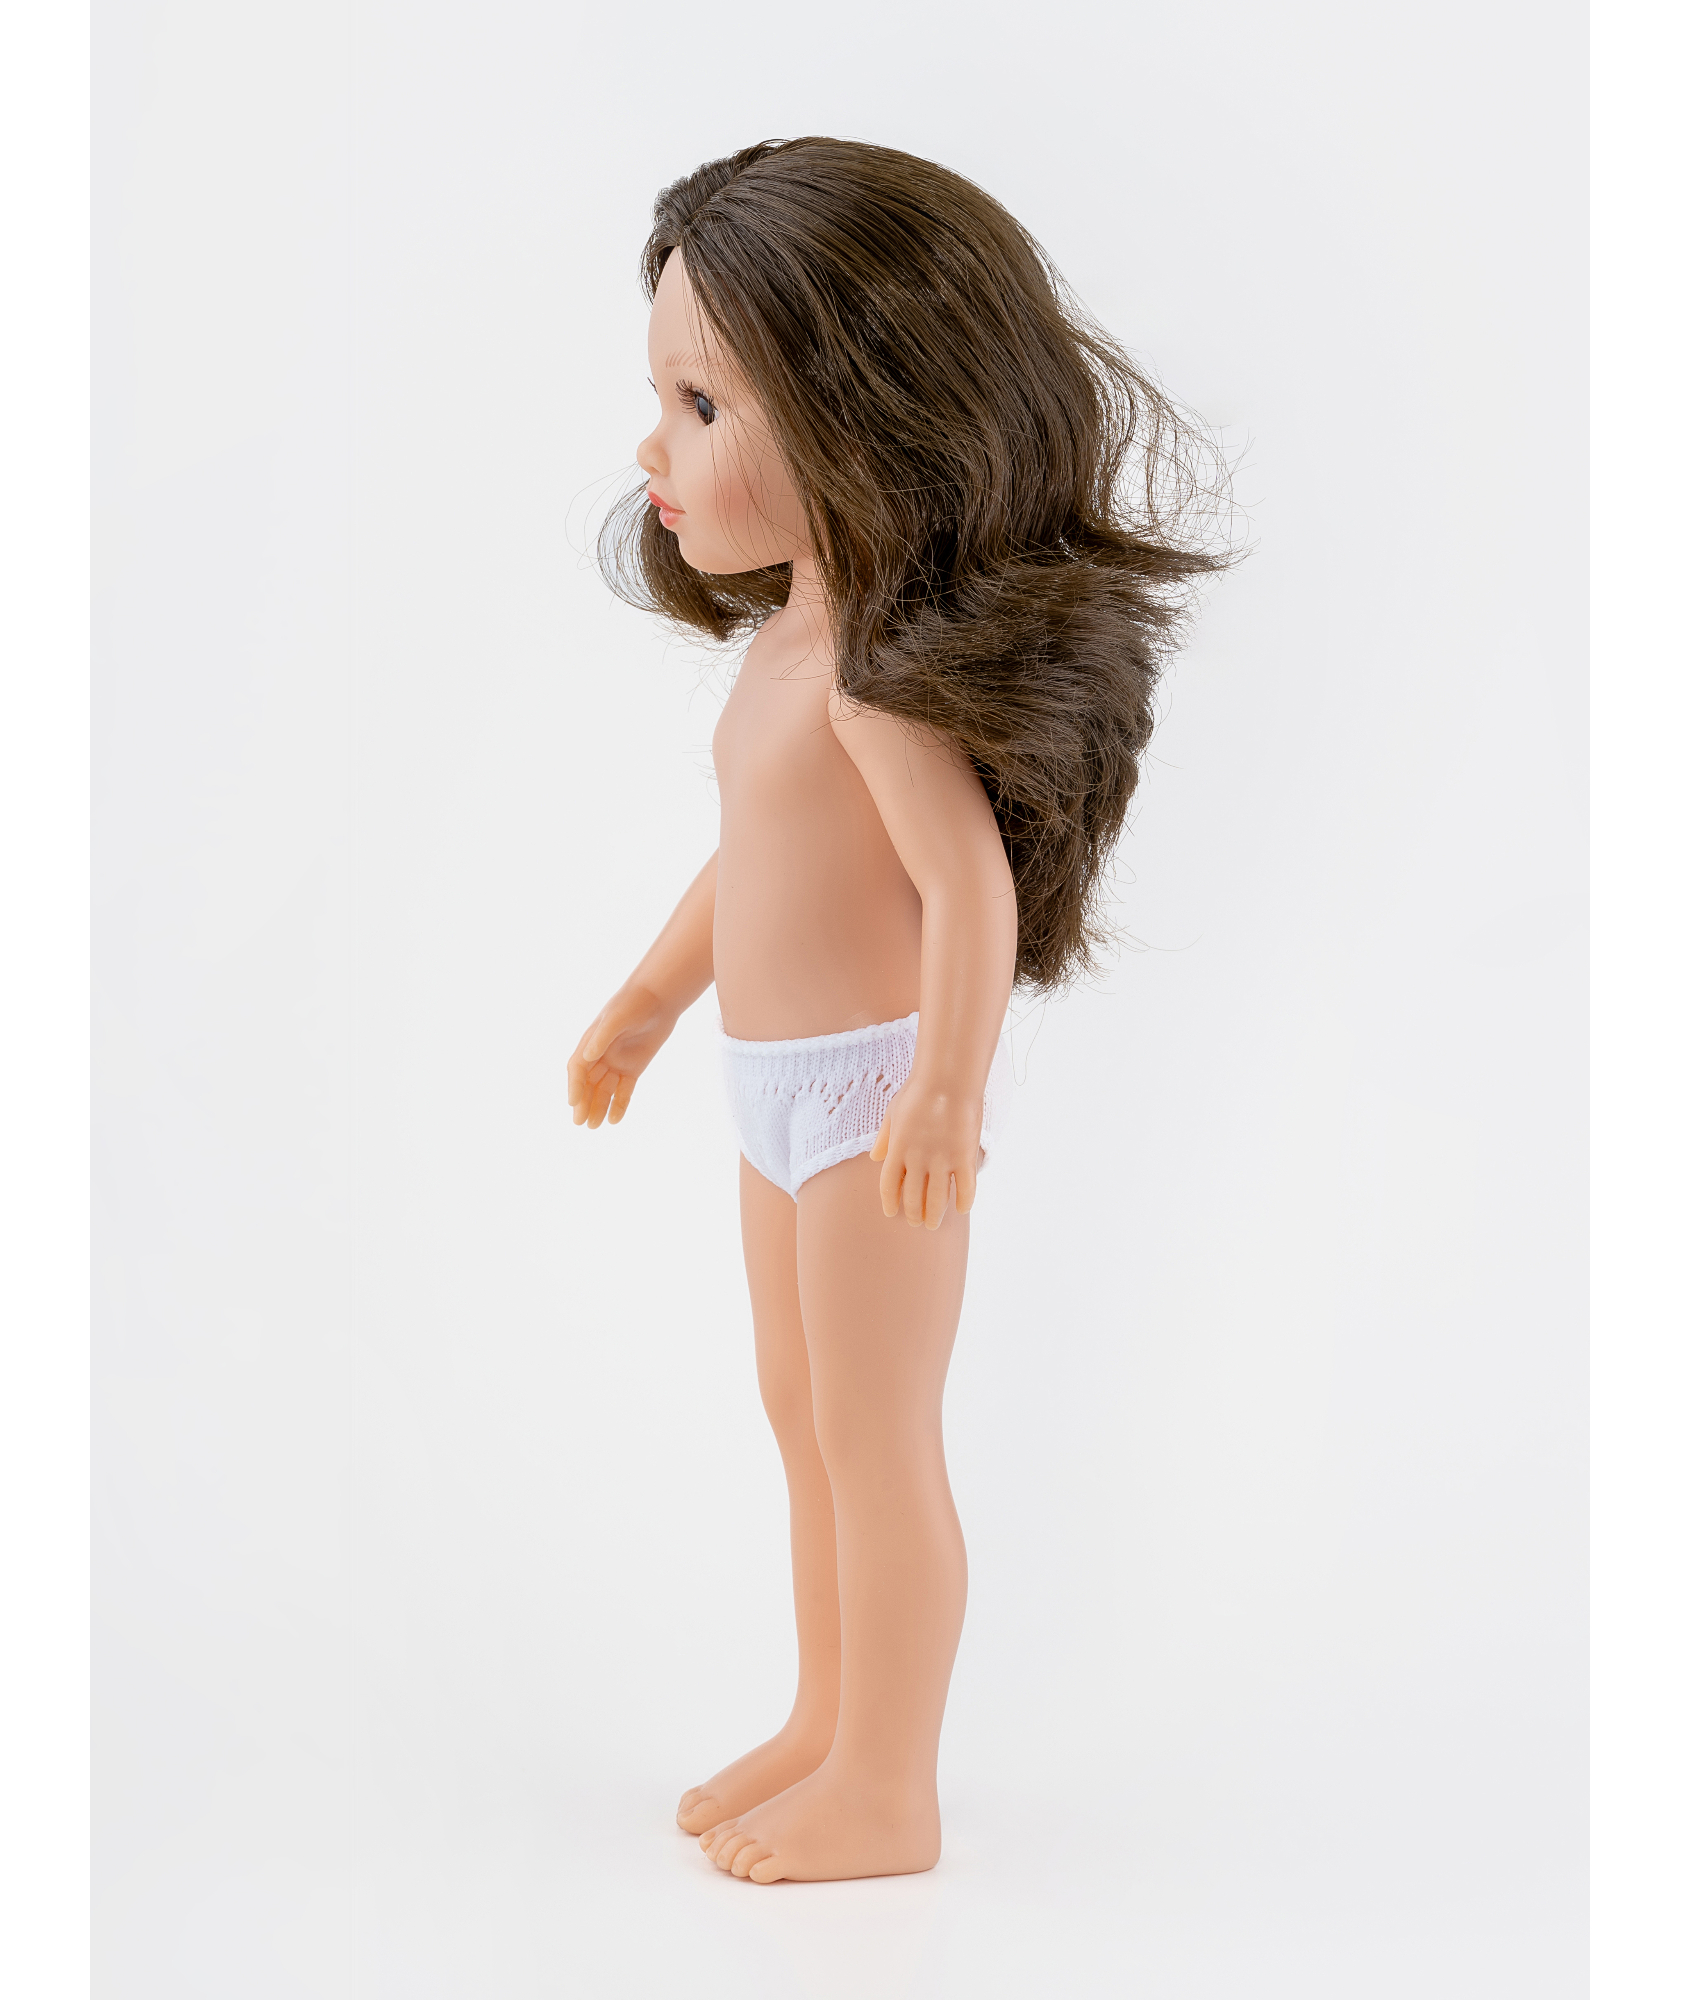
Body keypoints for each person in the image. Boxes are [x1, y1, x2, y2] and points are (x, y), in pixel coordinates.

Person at [565, 138, 1227, 1883]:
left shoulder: (877, 683)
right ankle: (826, 1715)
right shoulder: (788, 643)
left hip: (870, 1106)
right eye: (664, 394)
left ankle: (889, 1786)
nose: (653, 446)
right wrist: (648, 1000)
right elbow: (753, 854)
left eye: (702, 403)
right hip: (768, 1090)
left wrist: (943, 1083)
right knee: (799, 1419)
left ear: (861, 421)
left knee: (874, 1439)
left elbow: (968, 892)